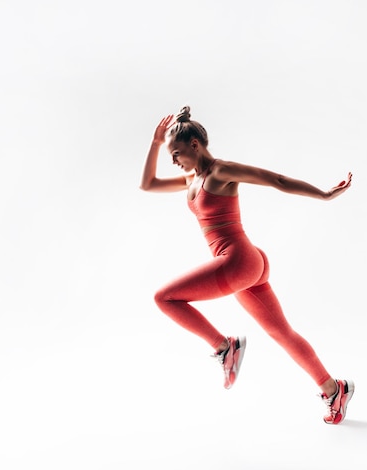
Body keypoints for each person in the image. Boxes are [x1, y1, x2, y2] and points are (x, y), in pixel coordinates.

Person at [139, 106, 354, 425]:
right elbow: (148, 184)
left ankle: (224, 347)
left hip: (237, 261)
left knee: (164, 298)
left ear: (195, 145)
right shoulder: (190, 179)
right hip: (247, 263)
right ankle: (333, 389)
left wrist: (323, 195)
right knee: (281, 333)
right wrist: (156, 142)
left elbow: (275, 179)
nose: (174, 160)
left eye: (176, 152)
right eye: (170, 154)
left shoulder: (221, 171)